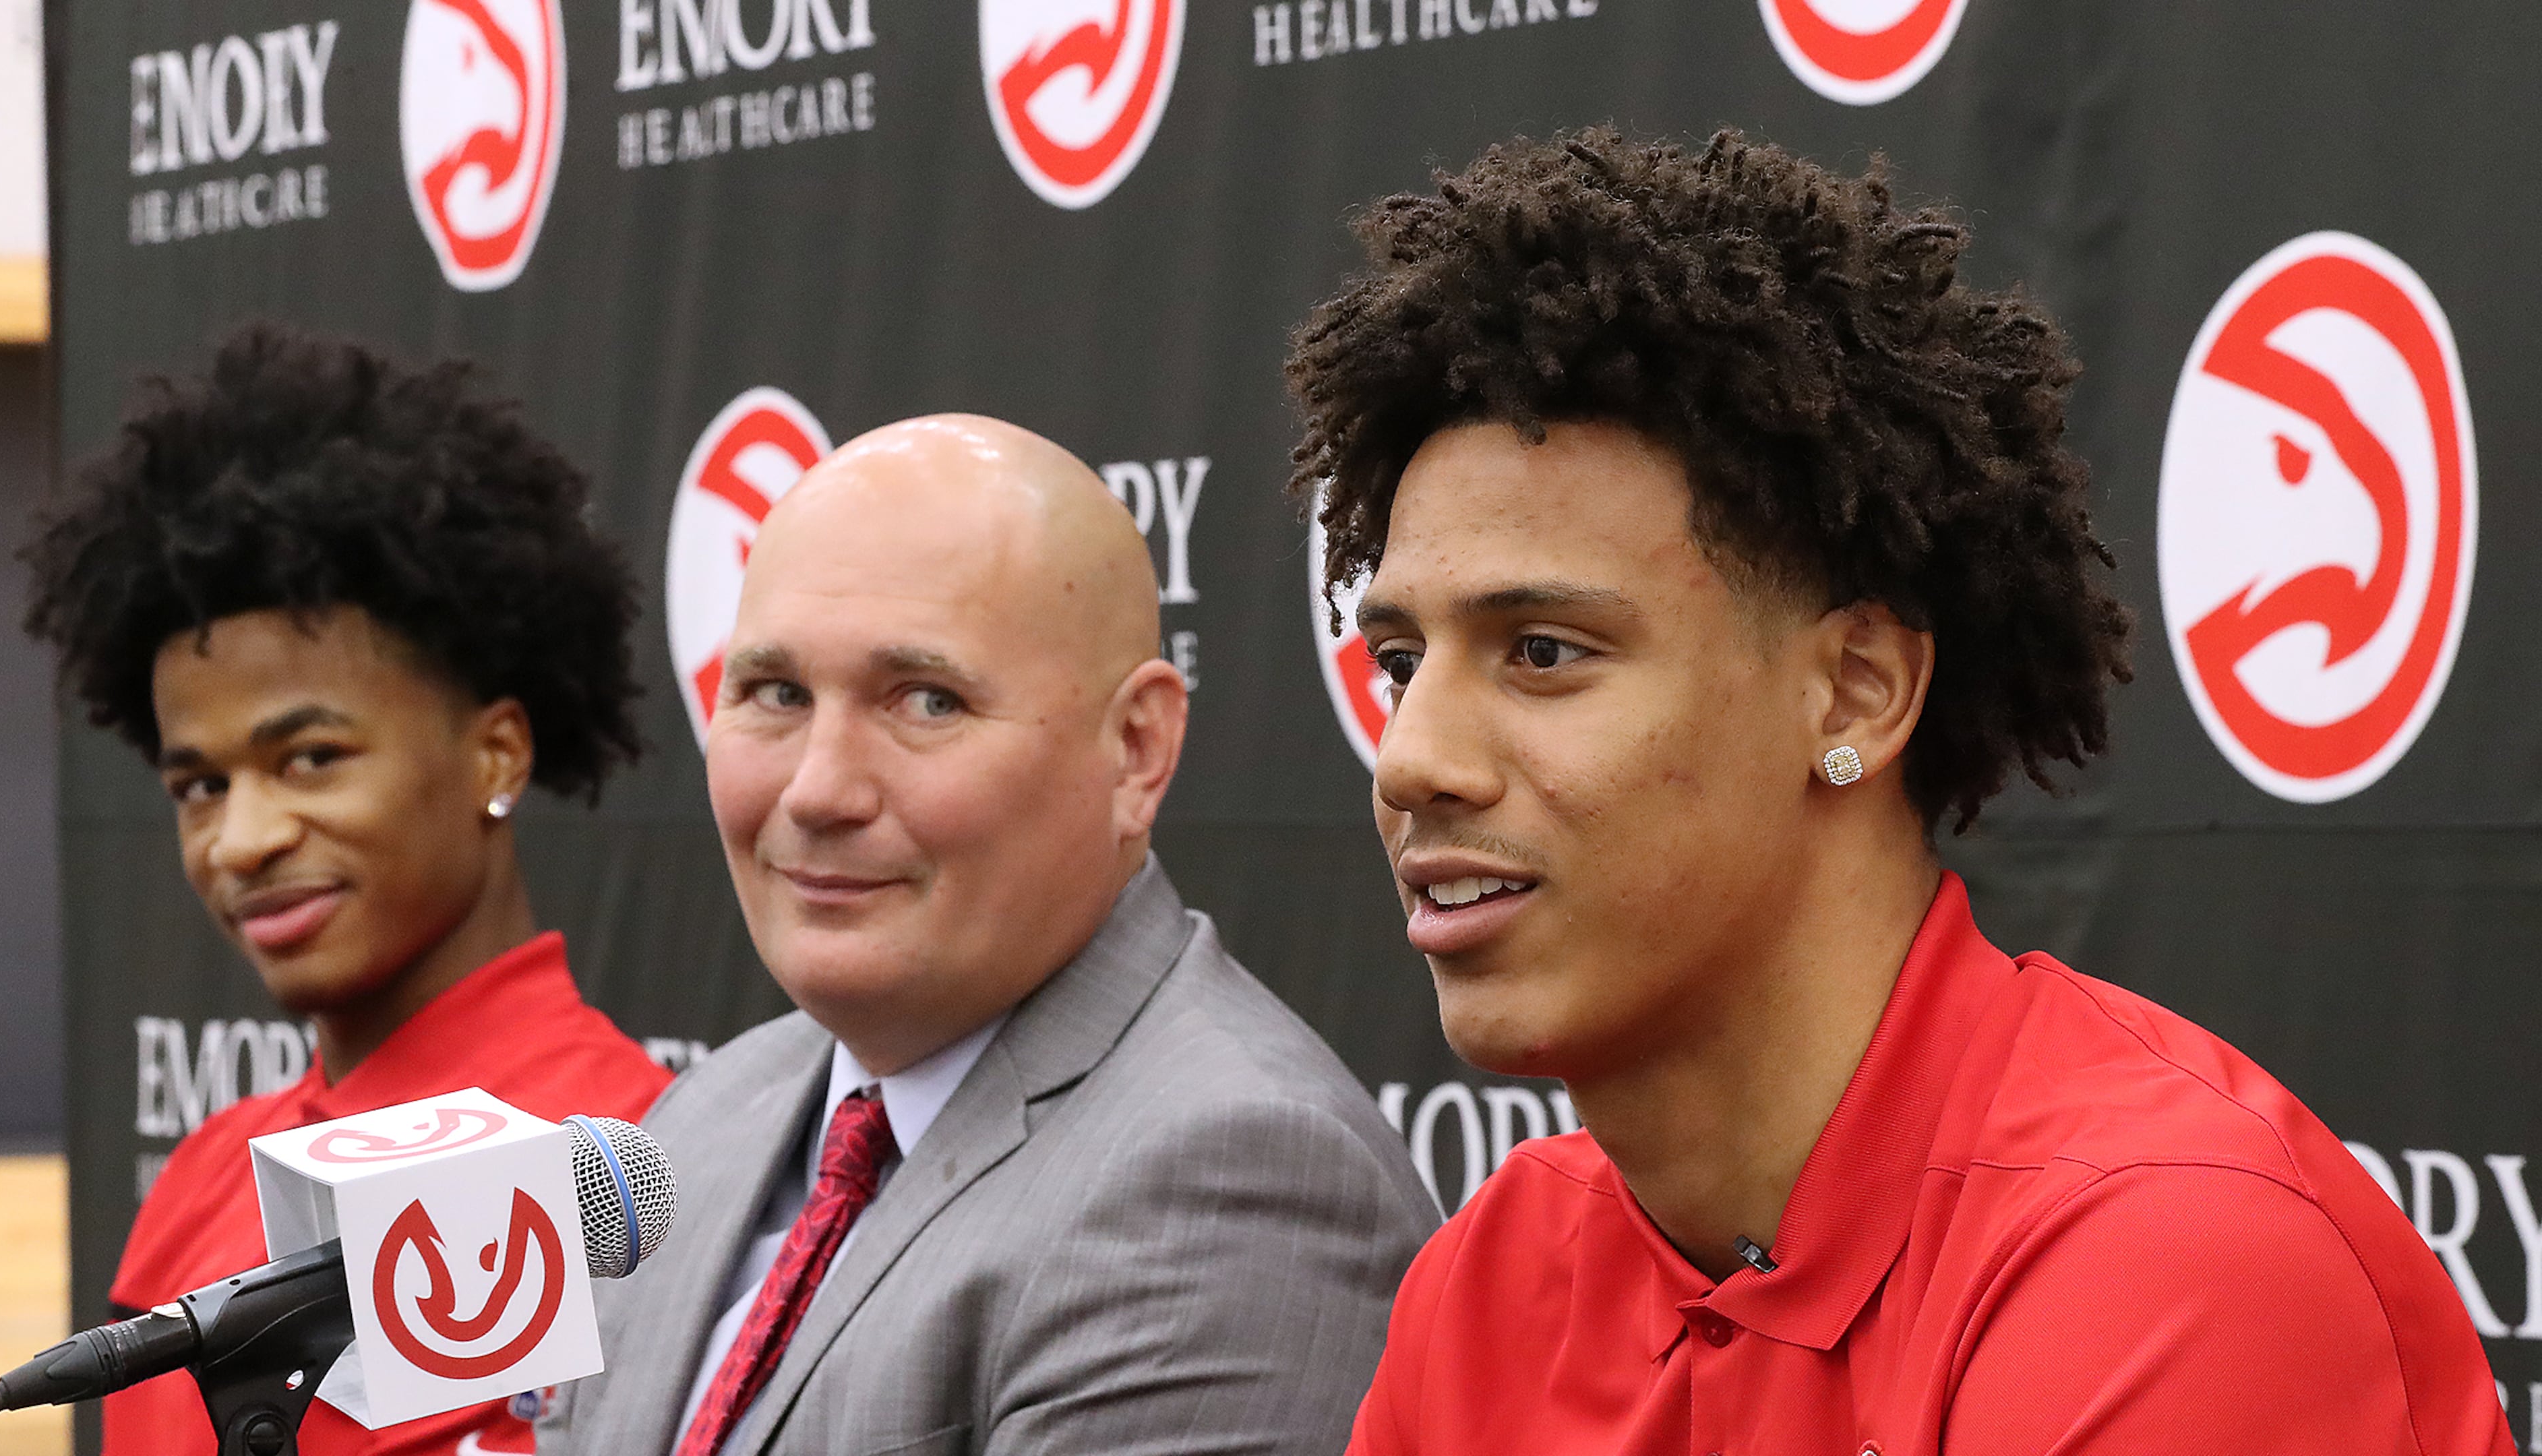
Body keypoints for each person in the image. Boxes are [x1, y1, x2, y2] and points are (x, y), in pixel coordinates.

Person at [1288, 129, 2510, 1455]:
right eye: (1402, 659)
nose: (1411, 757)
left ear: (1858, 691)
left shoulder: (2173, 1255)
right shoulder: (1493, 1274)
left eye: (1544, 652)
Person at [538, 413, 1439, 1456]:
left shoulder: (1234, 1184)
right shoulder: (707, 1114)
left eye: (927, 701)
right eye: (776, 693)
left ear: (1136, 749)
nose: (818, 788)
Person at [24, 325, 674, 1456]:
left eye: (311, 758)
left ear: (497, 755)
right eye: (199, 785)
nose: (244, 839)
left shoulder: (608, 1163)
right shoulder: (205, 1171)